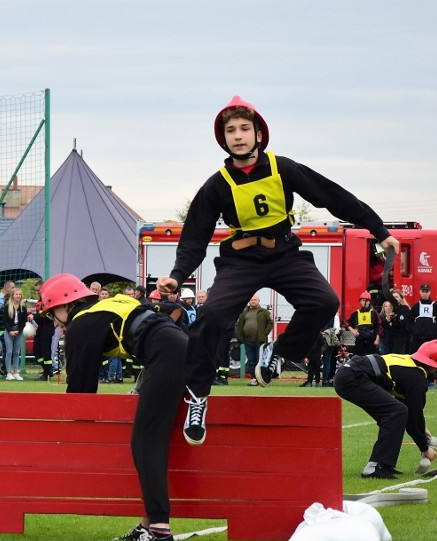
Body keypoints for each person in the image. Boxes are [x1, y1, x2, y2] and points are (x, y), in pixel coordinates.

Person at [157, 96, 399, 446]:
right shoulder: (216, 184)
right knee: (210, 315)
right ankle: (197, 397)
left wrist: (380, 230)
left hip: (285, 252)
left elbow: (333, 196)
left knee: (324, 301)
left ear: (258, 134)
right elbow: (195, 236)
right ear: (222, 139)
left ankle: (280, 353)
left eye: (244, 129)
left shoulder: (283, 167)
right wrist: (178, 276)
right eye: (230, 131)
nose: (238, 136)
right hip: (240, 260)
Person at [39, 273, 188, 541]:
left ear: (66, 305)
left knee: (146, 443)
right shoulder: (108, 305)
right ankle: (148, 524)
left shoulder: (81, 324)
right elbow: (171, 313)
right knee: (149, 440)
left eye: (52, 313)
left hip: (165, 355)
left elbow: (81, 392)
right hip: (176, 348)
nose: (54, 321)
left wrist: (70, 431)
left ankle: (159, 531)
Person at [334, 339, 437, 479]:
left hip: (350, 374)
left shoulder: (409, 365)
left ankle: (384, 465)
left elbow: (411, 413)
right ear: (434, 367)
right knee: (396, 412)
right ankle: (374, 467)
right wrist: (425, 448)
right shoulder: (416, 377)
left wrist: (422, 429)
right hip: (354, 377)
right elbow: (413, 416)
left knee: (397, 413)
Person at [234, 294, 273, 386]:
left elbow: (270, 323)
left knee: (259, 361)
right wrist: (240, 337)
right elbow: (238, 325)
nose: (253, 301)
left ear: (259, 301)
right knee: (251, 361)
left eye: (255, 300)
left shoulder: (264, 312)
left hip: (259, 341)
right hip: (248, 341)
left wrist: (264, 334)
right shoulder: (244, 312)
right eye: (251, 300)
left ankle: (261, 379)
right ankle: (254, 379)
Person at [410, 284, 437, 388]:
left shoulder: (435, 306)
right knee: (416, 360)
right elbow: (409, 321)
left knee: (430, 361)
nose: (424, 293)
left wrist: (433, 330)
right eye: (423, 291)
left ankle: (430, 381)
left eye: (426, 291)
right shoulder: (416, 306)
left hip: (429, 340)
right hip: (417, 339)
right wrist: (415, 331)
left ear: (429, 292)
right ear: (420, 292)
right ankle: (415, 381)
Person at [1, 287, 31, 381]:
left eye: (19, 294)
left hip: (19, 330)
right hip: (9, 330)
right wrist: (10, 331)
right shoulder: (7, 306)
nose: (18, 296)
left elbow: (23, 321)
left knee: (16, 352)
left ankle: (16, 372)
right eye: (16, 294)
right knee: (9, 351)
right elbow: (5, 321)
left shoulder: (23, 307)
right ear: (13, 296)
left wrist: (19, 330)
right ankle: (8, 372)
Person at [32, 280, 56, 381]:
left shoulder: (48, 299)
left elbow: (45, 316)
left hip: (47, 328)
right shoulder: (40, 300)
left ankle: (47, 373)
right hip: (41, 328)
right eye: (36, 290)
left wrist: (34, 316)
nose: (37, 292)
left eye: (38, 290)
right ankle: (47, 370)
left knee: (46, 352)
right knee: (36, 350)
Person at [0, 280, 16, 376]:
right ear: (7, 288)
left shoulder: (13, 299)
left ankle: (5, 369)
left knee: (9, 349)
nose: (14, 289)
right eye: (12, 287)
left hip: (10, 329)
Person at [346, 291, 380, 356]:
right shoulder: (356, 313)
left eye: (367, 301)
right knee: (359, 359)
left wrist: (377, 339)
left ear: (369, 302)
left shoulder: (374, 313)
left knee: (371, 359)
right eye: (363, 300)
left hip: (371, 341)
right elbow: (347, 322)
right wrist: (352, 330)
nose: (365, 303)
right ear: (360, 301)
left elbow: (379, 326)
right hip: (360, 340)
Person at [382, 289, 411, 354]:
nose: (395, 299)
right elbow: (383, 324)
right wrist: (387, 320)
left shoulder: (404, 309)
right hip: (389, 338)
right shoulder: (389, 308)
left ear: (401, 298)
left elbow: (402, 323)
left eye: (396, 297)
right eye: (393, 297)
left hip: (400, 338)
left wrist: (395, 319)